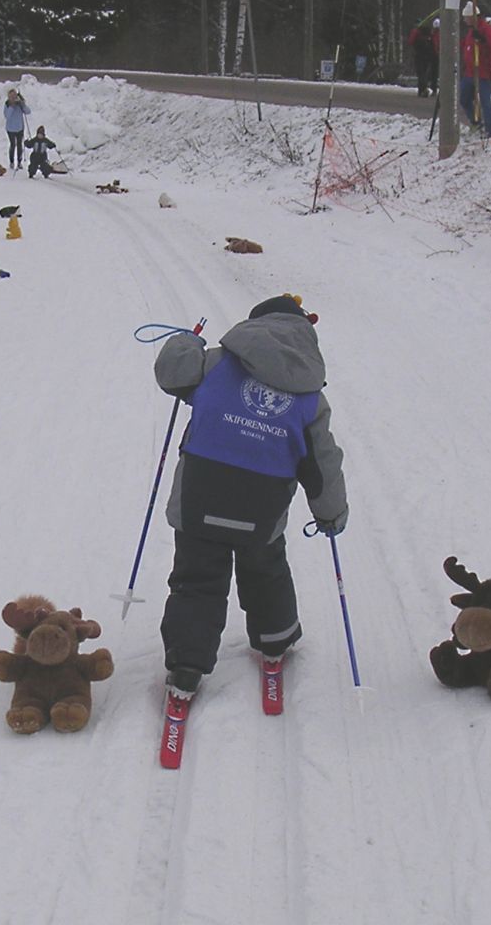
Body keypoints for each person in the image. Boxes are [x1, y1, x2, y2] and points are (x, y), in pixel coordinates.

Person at [152, 295, 349, 699]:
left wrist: (187, 340)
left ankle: (187, 666)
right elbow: (323, 462)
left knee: (197, 580)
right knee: (265, 570)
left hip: (199, 497)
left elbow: (173, 371)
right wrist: (330, 512)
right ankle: (275, 640)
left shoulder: (216, 363)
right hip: (262, 506)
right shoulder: (310, 400)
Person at [459, 2, 491, 137]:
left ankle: (490, 130)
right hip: (470, 72)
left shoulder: (487, 30)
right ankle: (476, 122)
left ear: (472, 17)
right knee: (464, 98)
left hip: (483, 72)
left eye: (466, 17)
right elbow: (465, 45)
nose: (464, 20)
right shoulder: (471, 32)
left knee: (484, 102)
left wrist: (482, 40)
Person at [407, 19, 438, 98]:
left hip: (419, 54)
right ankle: (422, 90)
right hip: (428, 55)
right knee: (424, 72)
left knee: (420, 73)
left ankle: (423, 89)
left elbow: (410, 41)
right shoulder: (428, 32)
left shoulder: (416, 31)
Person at [3, 88, 30, 171]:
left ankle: (19, 162)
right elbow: (7, 116)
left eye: (15, 96)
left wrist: (22, 104)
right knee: (12, 145)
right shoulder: (7, 104)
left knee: (19, 145)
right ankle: (11, 162)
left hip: (20, 128)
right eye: (11, 97)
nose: (13, 98)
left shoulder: (19, 104)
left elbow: (28, 111)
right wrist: (12, 106)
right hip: (10, 129)